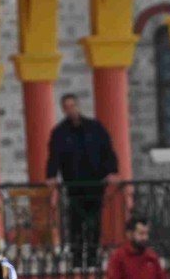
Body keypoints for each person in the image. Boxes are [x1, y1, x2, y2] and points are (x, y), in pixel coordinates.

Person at [46, 94, 119, 263]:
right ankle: (77, 258)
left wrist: (112, 171)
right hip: (73, 184)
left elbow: (107, 150)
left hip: (95, 182)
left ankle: (93, 256)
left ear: (79, 106)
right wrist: (51, 176)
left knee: (94, 221)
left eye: (73, 105)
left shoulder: (95, 128)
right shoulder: (59, 133)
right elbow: (54, 157)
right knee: (75, 222)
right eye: (67, 107)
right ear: (63, 109)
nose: (71, 109)